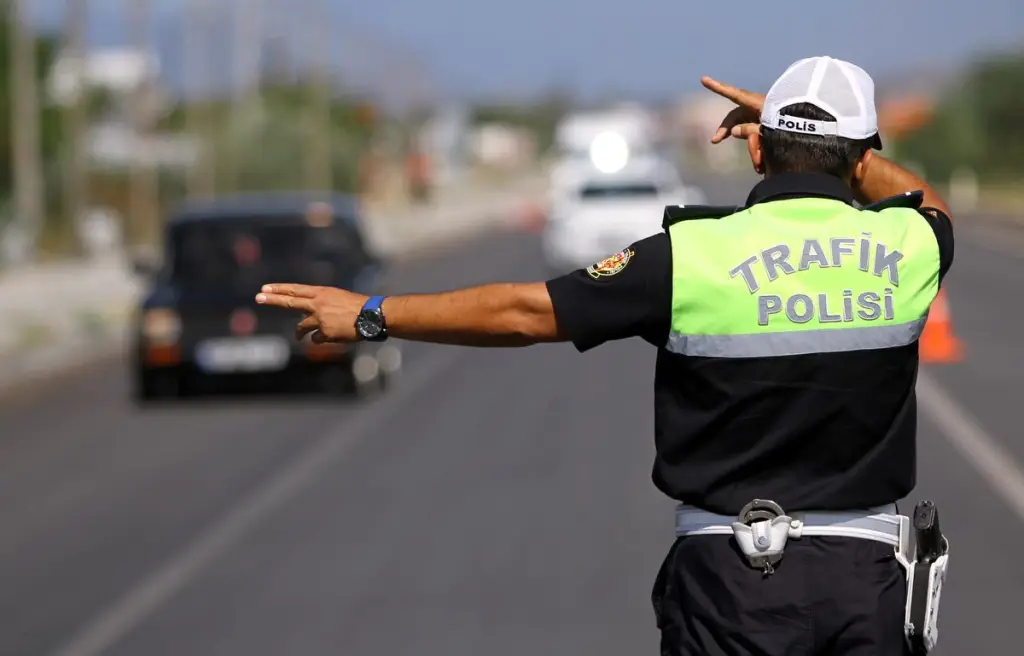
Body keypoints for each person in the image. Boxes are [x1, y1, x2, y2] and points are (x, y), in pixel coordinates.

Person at [255, 56, 953, 655]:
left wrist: (372, 316)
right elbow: (926, 201)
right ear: (862, 159)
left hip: (734, 581)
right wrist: (822, 137)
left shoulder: (687, 256)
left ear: (756, 150)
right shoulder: (909, 247)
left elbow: (523, 312)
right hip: (867, 584)